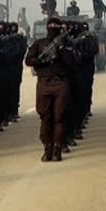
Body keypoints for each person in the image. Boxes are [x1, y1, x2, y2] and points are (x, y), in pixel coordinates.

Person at [25, 17, 76, 162]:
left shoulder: (66, 43)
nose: (53, 27)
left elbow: (72, 62)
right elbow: (29, 60)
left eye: (56, 25)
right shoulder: (39, 44)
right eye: (51, 25)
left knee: (60, 117)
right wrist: (42, 60)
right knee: (45, 117)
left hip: (61, 83)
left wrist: (60, 50)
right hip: (44, 84)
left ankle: (57, 149)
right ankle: (47, 148)